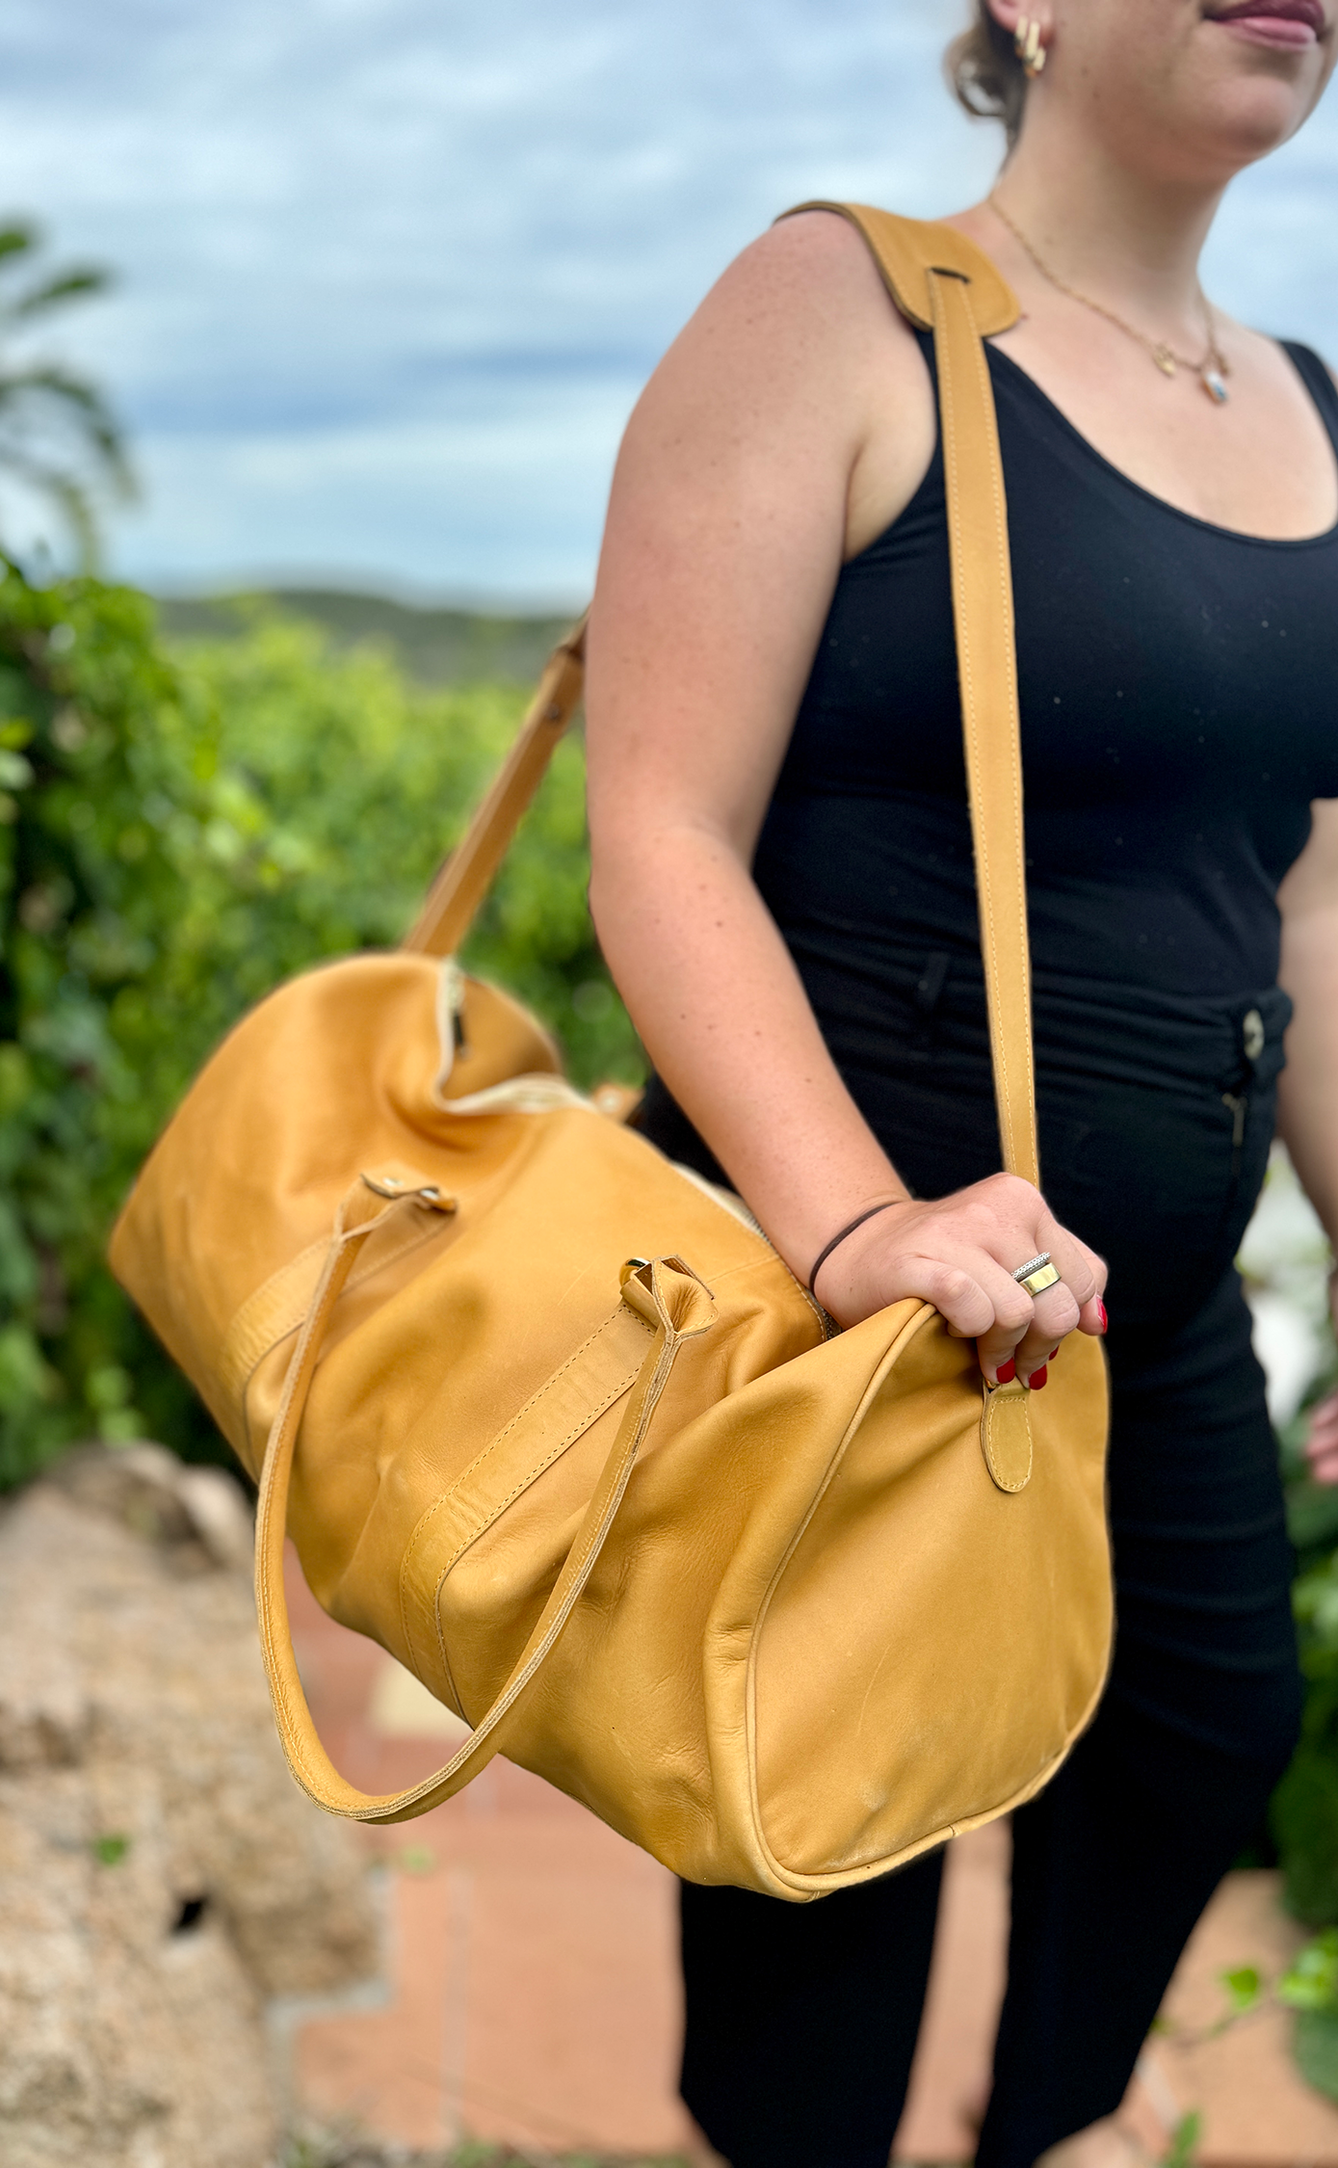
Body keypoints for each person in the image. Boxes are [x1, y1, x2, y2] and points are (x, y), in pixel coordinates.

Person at [582, 1, 1338, 2163]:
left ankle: (1039, 2134)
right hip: (855, 1317)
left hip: (1141, 1316)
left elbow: (1299, 909)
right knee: (829, 1877)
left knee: (1198, 1736)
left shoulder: (1303, 405)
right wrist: (855, 1229)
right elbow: (659, 830)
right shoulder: (834, 306)